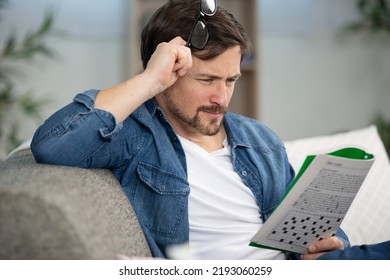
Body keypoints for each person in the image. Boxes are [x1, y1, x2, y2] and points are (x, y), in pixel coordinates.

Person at [31, 0, 347, 259]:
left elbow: (308, 222)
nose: (222, 98)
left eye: (231, 80)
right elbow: (53, 145)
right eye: (207, 80)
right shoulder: (137, 138)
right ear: (168, 69)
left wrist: (327, 244)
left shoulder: (259, 138)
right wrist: (149, 81)